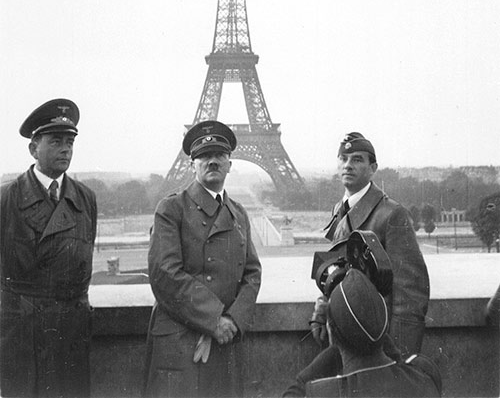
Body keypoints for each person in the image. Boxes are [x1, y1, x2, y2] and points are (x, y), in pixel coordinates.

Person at [143, 120, 262, 398]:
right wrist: (213, 319)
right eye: (204, 156)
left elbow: (252, 272)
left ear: (230, 163)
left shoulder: (239, 212)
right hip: (183, 341)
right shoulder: (171, 208)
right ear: (192, 164)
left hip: (225, 339)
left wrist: (232, 320)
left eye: (219, 155)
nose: (213, 161)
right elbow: (164, 273)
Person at [0, 99, 97, 398]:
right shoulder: (7, 199)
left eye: (70, 141)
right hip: (24, 335)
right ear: (33, 148)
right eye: (56, 141)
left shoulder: (86, 199)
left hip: (71, 332)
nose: (66, 149)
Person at [311, 132, 429, 359]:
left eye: (357, 159)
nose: (348, 165)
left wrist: (400, 356)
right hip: (344, 335)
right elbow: (336, 270)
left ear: (373, 168)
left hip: (375, 345)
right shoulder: (340, 209)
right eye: (343, 159)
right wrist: (321, 310)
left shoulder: (392, 214)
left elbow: (410, 294)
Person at [286, 269, 441, 397]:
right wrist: (370, 323)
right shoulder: (425, 376)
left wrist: (339, 338)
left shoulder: (322, 393)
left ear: (332, 333)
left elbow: (293, 392)